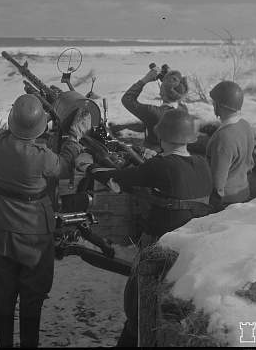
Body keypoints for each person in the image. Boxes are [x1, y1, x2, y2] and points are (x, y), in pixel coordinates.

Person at [90, 109, 213, 347]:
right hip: (193, 247)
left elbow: (119, 179)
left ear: (163, 137)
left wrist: (89, 167)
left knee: (137, 302)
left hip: (159, 245)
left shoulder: (159, 165)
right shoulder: (202, 164)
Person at [0, 94, 91, 348]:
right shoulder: (42, 157)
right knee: (32, 294)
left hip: (1, 226)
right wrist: (73, 137)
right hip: (34, 231)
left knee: (3, 291)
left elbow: (16, 136)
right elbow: (64, 165)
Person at [206, 81, 255, 210]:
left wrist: (212, 204)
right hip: (243, 191)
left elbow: (218, 179)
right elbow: (250, 164)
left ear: (220, 106)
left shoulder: (223, 137)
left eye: (214, 103)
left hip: (226, 201)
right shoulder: (245, 125)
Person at [121, 66, 189, 150]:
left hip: (154, 156)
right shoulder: (183, 110)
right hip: (175, 154)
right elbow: (179, 94)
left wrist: (145, 79)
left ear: (162, 92)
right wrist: (171, 79)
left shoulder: (153, 112)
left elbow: (127, 99)